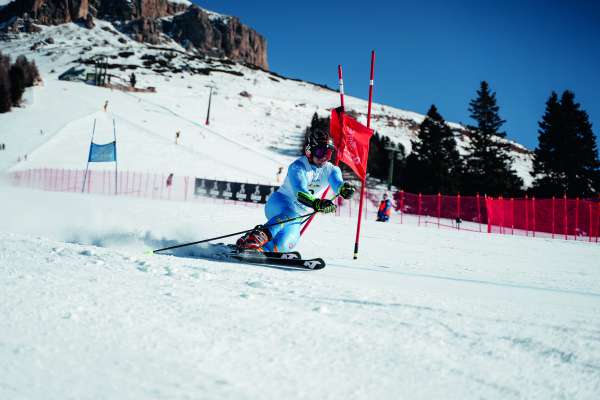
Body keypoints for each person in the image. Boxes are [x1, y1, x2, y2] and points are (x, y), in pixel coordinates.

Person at [236, 129, 356, 252]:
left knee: (285, 245)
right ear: (309, 151)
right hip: (279, 203)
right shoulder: (298, 167)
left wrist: (344, 188)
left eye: (329, 153)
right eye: (320, 152)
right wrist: (317, 203)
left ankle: (259, 249)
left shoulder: (332, 169)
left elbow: (338, 183)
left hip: (298, 216)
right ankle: (255, 239)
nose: (324, 158)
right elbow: (300, 192)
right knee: (290, 214)